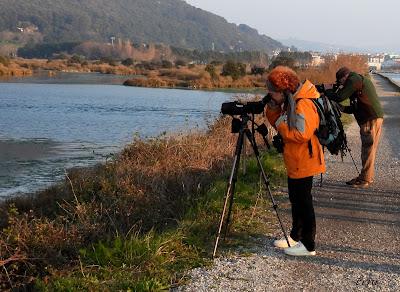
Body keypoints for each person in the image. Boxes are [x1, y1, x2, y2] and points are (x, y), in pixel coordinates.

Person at [264, 66, 326, 256]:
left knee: (304, 202)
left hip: (305, 158)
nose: (270, 96)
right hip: (295, 158)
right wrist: (273, 109)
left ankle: (308, 245)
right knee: (296, 200)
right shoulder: (292, 101)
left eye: (273, 93)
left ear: (284, 90)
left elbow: (301, 133)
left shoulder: (303, 103)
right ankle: (295, 236)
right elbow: (278, 122)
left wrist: (281, 122)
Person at [326, 67, 384, 188]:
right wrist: (342, 108)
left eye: (341, 83)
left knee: (367, 149)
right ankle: (366, 177)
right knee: (369, 149)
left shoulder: (353, 80)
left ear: (344, 77)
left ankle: (365, 180)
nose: (341, 85)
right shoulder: (358, 80)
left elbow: (340, 96)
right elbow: (354, 107)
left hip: (370, 119)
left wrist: (327, 92)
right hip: (372, 117)